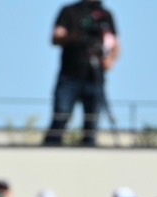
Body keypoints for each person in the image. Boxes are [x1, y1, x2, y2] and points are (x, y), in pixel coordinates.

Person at [43, 0, 116, 147]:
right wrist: (75, 36)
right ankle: (51, 149)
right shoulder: (70, 11)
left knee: (92, 122)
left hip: (94, 77)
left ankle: (89, 151)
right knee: (61, 116)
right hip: (70, 75)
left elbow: (115, 42)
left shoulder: (105, 15)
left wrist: (110, 60)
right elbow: (56, 37)